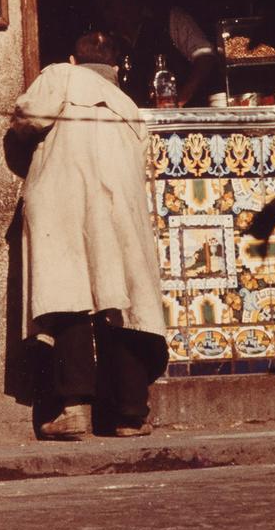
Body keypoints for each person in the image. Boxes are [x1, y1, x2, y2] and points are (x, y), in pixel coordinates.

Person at [9, 30, 168, 440]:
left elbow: (27, 117)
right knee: (120, 300)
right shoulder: (130, 105)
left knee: (69, 297)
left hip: (65, 197)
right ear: (116, 69)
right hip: (119, 207)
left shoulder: (60, 74)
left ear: (74, 59)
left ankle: (74, 410)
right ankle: (130, 413)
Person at [95, 0, 216, 106]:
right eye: (103, 9)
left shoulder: (170, 19)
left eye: (109, 5)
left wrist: (180, 100)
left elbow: (205, 56)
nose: (107, 14)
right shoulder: (110, 41)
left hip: (183, 117)